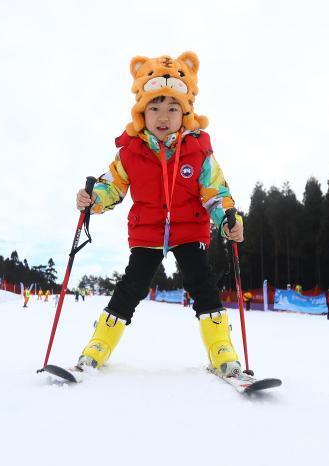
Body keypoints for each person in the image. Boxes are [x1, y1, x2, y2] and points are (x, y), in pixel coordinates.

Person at [73, 52, 245, 377]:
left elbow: (217, 193)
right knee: (132, 287)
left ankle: (220, 347)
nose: (163, 116)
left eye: (172, 108)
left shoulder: (199, 151)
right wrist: (93, 198)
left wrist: (228, 220)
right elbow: (112, 186)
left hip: (189, 230)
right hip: (147, 232)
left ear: (186, 112)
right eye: (154, 107)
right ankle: (99, 343)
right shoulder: (130, 153)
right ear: (142, 111)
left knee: (202, 284)